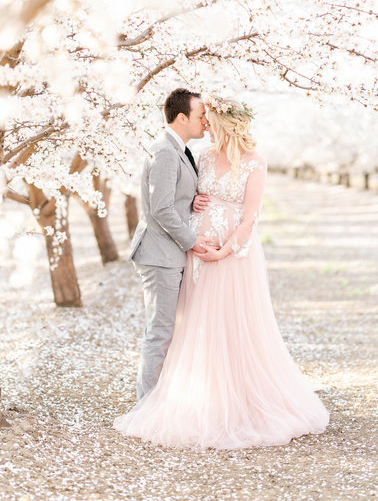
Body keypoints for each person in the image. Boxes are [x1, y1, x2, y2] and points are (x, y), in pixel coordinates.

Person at [113, 97, 329, 449]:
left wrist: (224, 249)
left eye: (211, 119)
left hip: (231, 256)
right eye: (203, 117)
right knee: (191, 326)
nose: (206, 125)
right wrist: (196, 212)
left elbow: (250, 216)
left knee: (232, 325)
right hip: (195, 254)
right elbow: (176, 199)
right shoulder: (201, 157)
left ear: (227, 124)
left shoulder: (254, 163)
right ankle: (175, 401)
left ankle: (234, 400)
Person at [127, 88, 212, 402]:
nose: (206, 121)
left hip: (166, 253)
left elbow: (170, 199)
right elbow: (160, 208)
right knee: (159, 333)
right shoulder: (164, 149)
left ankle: (158, 403)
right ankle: (145, 408)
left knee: (165, 332)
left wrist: (192, 201)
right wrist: (193, 242)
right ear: (181, 117)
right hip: (160, 254)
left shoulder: (177, 149)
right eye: (200, 115)